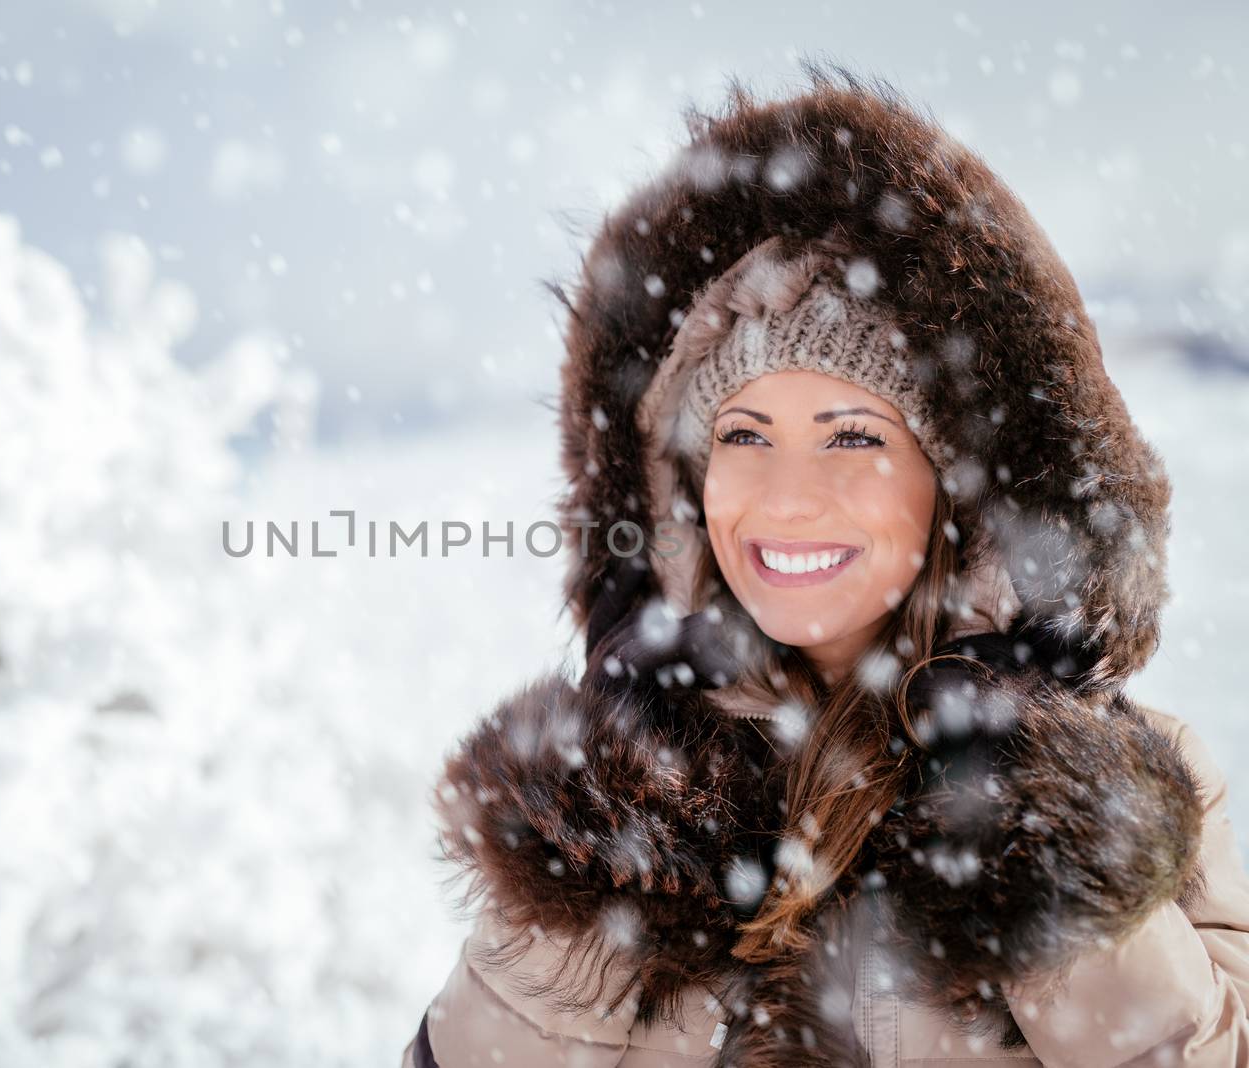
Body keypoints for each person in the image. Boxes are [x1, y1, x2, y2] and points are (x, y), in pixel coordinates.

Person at [401, 65, 1249, 1067]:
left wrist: (1050, 841)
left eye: (850, 438)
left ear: (955, 497)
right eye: (743, 435)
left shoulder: (1130, 776)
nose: (786, 495)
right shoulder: (621, 787)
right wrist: (572, 870)